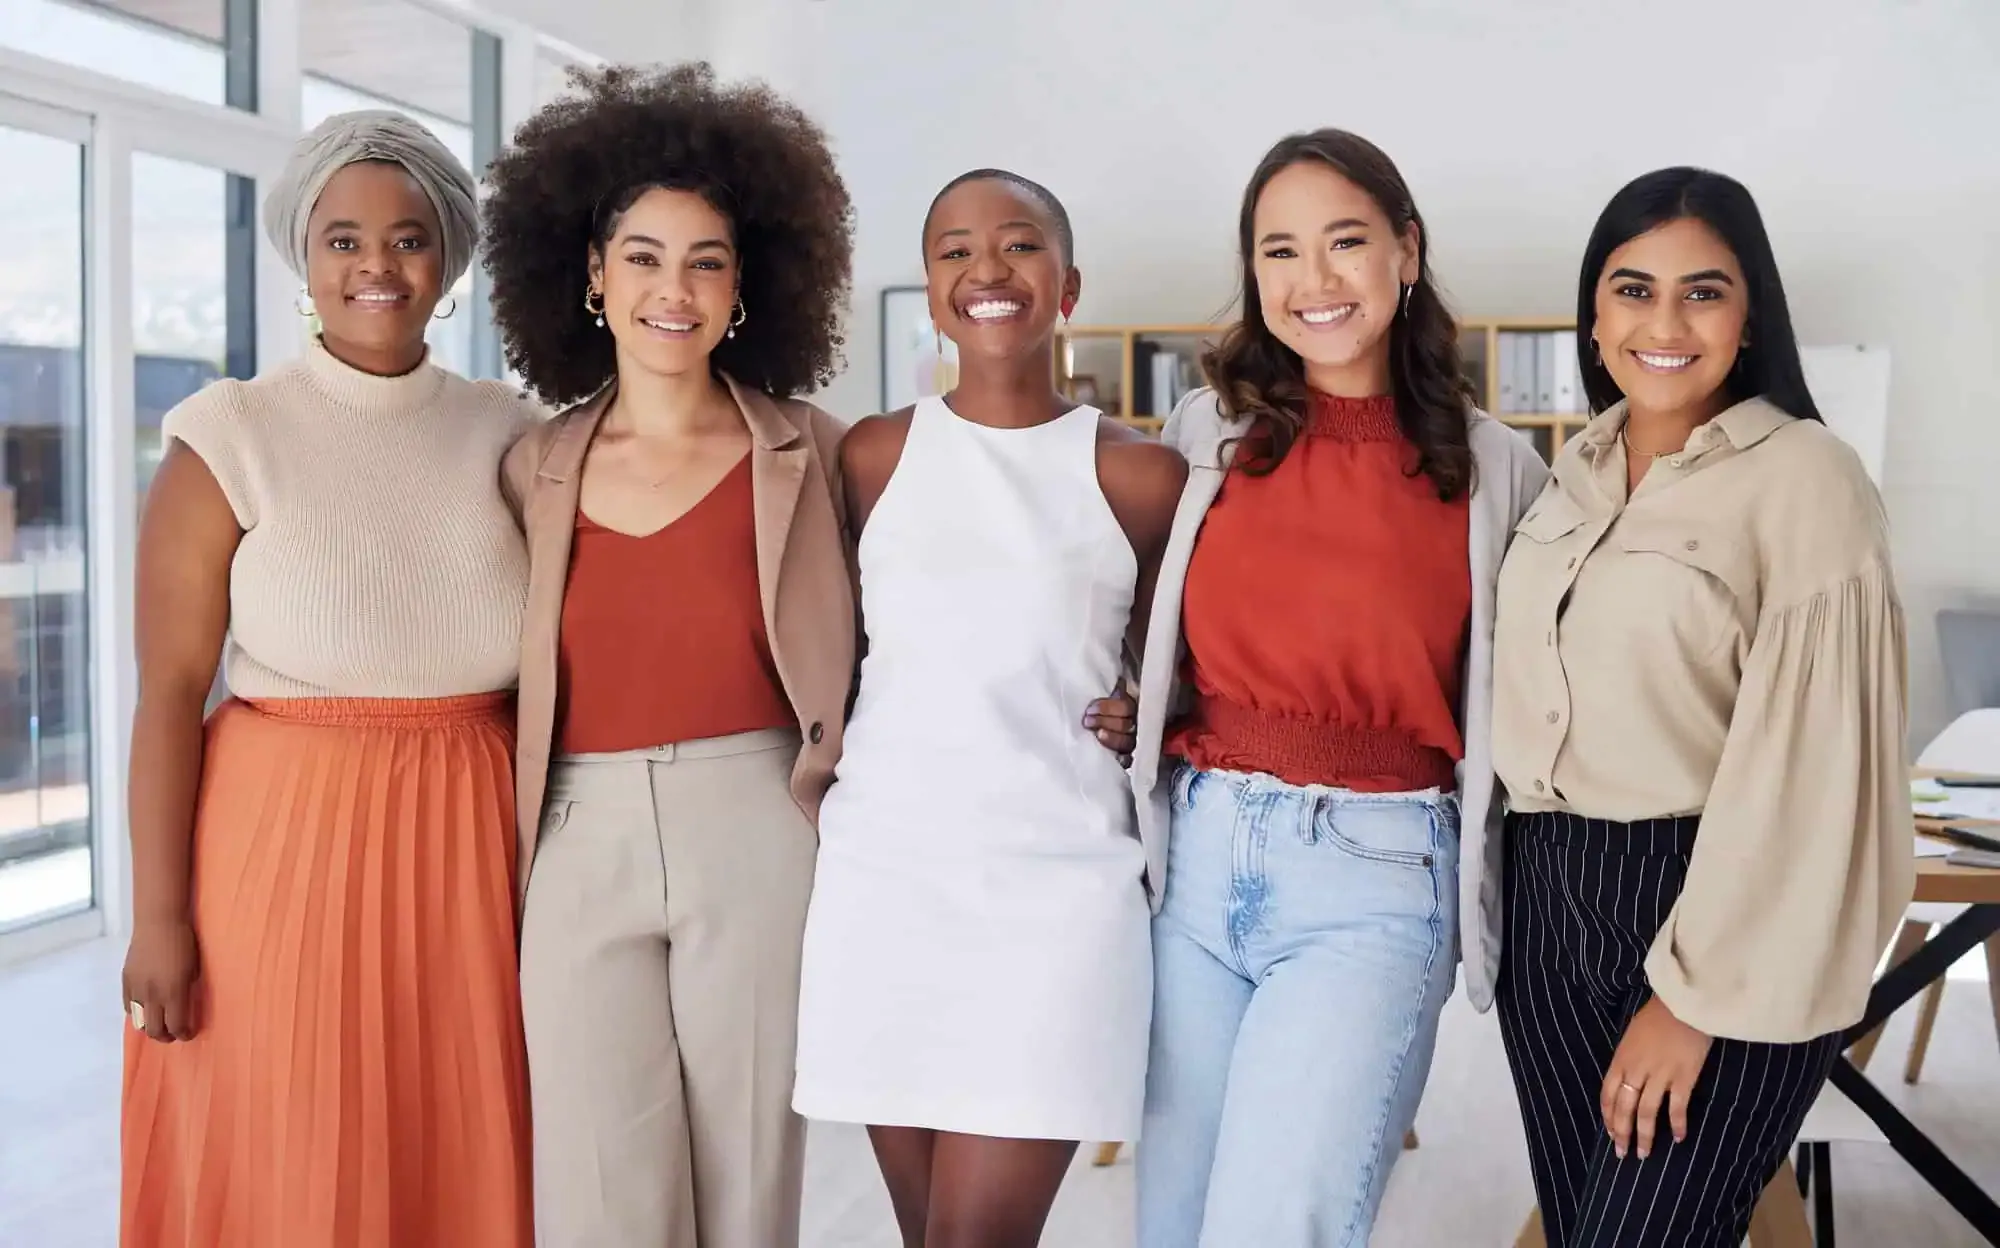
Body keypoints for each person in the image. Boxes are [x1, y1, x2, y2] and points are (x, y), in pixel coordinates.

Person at [118, 110, 539, 1248]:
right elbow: (168, 693)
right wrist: (158, 914)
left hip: (473, 848)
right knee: (291, 1147)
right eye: (343, 239)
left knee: (458, 1143)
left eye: (406, 239)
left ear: (448, 259)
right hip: (280, 847)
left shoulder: (509, 429)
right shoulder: (232, 430)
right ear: (303, 258)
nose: (375, 266)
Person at [1122, 128, 1551, 1248]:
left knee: (1275, 1225)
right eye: (1278, 252)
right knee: (1169, 1225)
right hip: (1198, 864)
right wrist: (1135, 706)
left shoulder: (1497, 469)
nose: (1311, 281)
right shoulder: (1203, 433)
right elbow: (1152, 628)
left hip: (1373, 879)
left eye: (1344, 242)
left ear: (1406, 253)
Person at [1490, 166, 1913, 1247]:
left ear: (1748, 313)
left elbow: (1812, 778)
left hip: (1710, 907)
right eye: (1631, 290)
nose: (1662, 322)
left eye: (1701, 291)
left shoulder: (1806, 479)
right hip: (1545, 903)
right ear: (1591, 319)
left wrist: (1689, 999)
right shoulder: (1567, 474)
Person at [477, 63, 856, 1248]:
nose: (672, 289)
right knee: (596, 1187)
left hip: (756, 824)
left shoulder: (817, 452)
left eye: (705, 260)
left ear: (746, 284)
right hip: (576, 836)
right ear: (591, 275)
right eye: (641, 256)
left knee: (748, 1182)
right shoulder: (526, 466)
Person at [791, 168, 1187, 1247]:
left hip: (1057, 898)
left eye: (1016, 245)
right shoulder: (872, 455)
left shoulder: (1142, 475)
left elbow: (1177, 671)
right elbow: (844, 655)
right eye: (954, 250)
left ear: (1067, 286)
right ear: (929, 290)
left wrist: (1140, 706)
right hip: (886, 885)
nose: (985, 270)